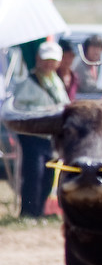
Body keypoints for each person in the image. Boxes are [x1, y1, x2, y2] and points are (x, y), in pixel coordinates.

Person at [11, 41, 70, 217]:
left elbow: (64, 103)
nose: (49, 64)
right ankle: (29, 212)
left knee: (48, 175)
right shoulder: (28, 82)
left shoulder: (56, 82)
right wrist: (42, 112)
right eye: (46, 59)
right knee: (33, 174)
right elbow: (18, 108)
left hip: (50, 136)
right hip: (32, 135)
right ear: (38, 59)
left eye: (53, 60)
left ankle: (40, 210)